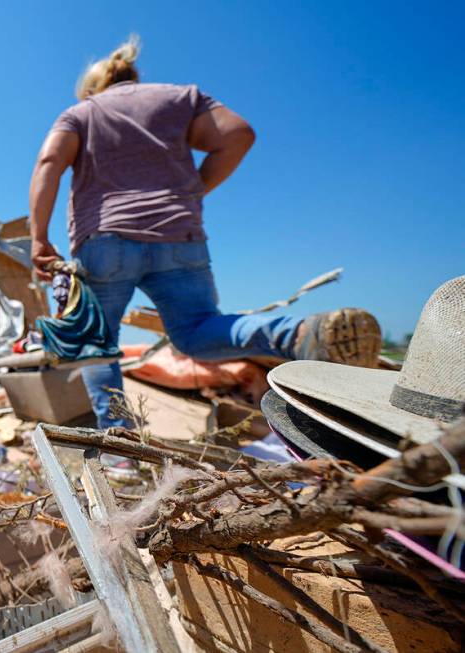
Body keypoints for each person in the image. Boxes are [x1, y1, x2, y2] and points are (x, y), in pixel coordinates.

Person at [29, 36, 381, 428]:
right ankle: (299, 333)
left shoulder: (81, 113)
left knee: (97, 346)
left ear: (92, 89)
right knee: (197, 332)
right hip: (180, 237)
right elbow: (238, 134)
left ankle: (124, 448)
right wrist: (194, 189)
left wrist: (39, 238)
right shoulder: (179, 98)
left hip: (106, 239)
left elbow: (49, 161)